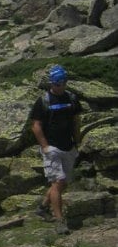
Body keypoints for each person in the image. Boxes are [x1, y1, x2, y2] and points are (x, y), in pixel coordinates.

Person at [30, 65, 82, 234]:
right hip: (52, 148)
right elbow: (36, 126)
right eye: (57, 83)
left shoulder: (72, 98)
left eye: (62, 83)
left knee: (62, 183)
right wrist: (45, 146)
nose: (60, 86)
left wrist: (78, 141)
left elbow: (76, 121)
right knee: (58, 182)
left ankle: (42, 207)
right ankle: (60, 221)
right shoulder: (43, 101)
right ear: (51, 83)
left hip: (69, 146)